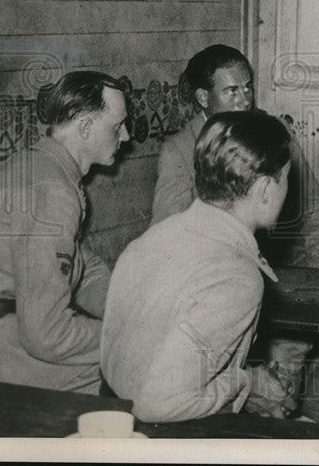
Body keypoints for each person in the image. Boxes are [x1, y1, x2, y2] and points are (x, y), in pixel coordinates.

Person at [150, 44, 319, 423]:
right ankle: (274, 430)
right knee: (289, 348)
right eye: (232, 91)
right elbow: (168, 233)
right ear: (204, 97)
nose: (245, 99)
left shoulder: (270, 131)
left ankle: (305, 425)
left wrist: (316, 266)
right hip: (226, 278)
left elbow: (315, 207)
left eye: (248, 87)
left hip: (289, 266)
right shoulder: (181, 149)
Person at [101, 110, 294, 422]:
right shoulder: (237, 276)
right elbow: (157, 405)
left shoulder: (151, 240)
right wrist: (246, 381)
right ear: (266, 189)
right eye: (285, 179)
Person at [0, 71, 130, 393]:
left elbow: (83, 269)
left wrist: (135, 308)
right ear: (86, 127)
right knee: (131, 369)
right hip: (3, 356)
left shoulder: (40, 166)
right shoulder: (54, 191)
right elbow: (47, 335)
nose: (127, 136)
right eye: (117, 126)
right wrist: (128, 336)